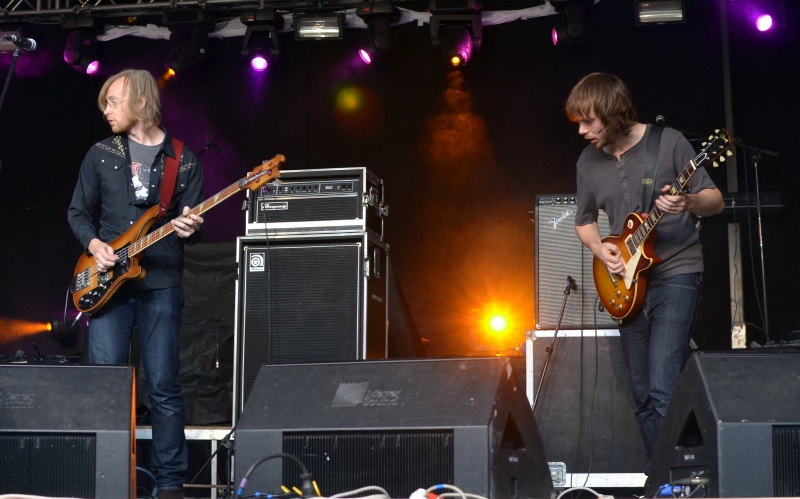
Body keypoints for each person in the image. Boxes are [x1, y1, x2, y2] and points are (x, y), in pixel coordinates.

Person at [565, 72, 723, 473]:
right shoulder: (588, 162)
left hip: (677, 268)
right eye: (578, 123)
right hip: (626, 282)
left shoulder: (667, 142)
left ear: (613, 112)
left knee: (663, 384)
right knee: (641, 392)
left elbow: (714, 200)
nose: (582, 131)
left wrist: (687, 202)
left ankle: (681, 477)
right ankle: (662, 477)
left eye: (589, 121)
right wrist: (601, 249)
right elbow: (583, 221)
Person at [68, 69, 204, 499]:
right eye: (104, 103)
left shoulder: (182, 159)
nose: (105, 110)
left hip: (161, 281)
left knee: (163, 384)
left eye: (113, 102)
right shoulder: (101, 153)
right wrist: (95, 244)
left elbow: (190, 221)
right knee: (108, 383)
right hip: (108, 283)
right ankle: (107, 478)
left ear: (141, 102)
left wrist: (190, 227)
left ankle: (169, 485)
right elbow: (77, 212)